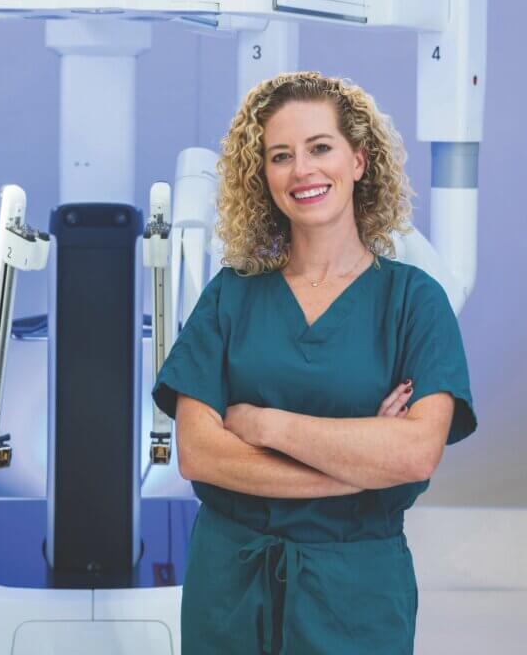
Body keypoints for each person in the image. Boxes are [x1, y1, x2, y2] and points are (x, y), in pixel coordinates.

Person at [152, 71, 477, 654]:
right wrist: (358, 460)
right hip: (229, 587)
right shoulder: (231, 295)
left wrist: (265, 425)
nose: (302, 170)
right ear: (263, 177)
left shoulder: (413, 301)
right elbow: (199, 454)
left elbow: (415, 453)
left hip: (356, 593)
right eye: (281, 156)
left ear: (359, 159)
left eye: (320, 148)